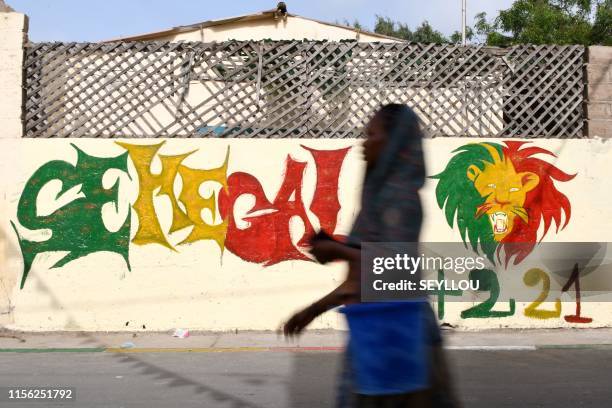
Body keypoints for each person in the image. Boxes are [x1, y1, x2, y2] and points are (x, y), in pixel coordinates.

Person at [282, 103, 461, 408]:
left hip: (400, 334)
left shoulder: (400, 201)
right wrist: (311, 311)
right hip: (373, 333)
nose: (363, 143)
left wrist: (337, 251)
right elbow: (360, 281)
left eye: (372, 134)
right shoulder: (377, 199)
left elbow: (392, 270)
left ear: (394, 143)